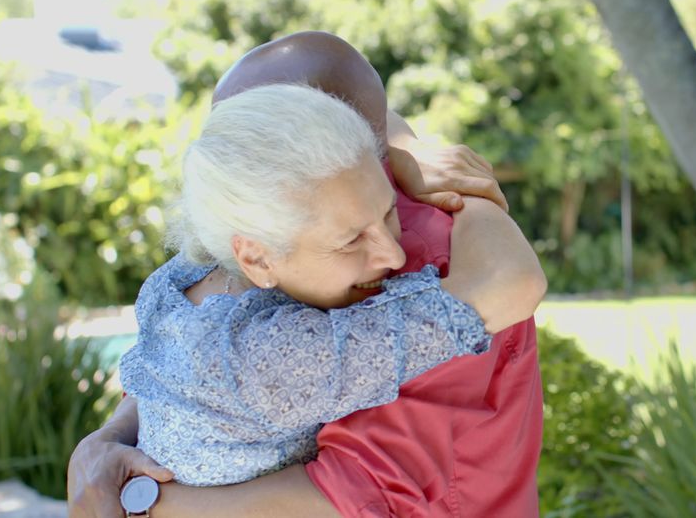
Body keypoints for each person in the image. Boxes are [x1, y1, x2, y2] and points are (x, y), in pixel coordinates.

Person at [68, 32, 546, 516]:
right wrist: (108, 445)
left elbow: (366, 492)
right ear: (255, 256)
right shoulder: (255, 264)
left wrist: (144, 503)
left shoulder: (190, 278)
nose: (391, 255)